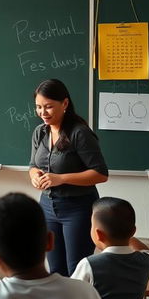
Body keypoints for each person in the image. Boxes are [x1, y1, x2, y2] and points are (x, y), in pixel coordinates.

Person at [28, 78, 109, 276]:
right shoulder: (40, 132)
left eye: (48, 107)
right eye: (38, 107)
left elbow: (100, 173)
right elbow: (32, 165)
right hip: (47, 207)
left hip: (78, 209)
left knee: (77, 271)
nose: (42, 113)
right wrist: (34, 175)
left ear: (64, 104)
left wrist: (61, 178)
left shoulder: (79, 133)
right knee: (55, 272)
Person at [71, 196, 149, 299]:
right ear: (133, 231)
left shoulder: (88, 265)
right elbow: (147, 252)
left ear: (98, 234)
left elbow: (70, 298)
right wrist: (127, 235)